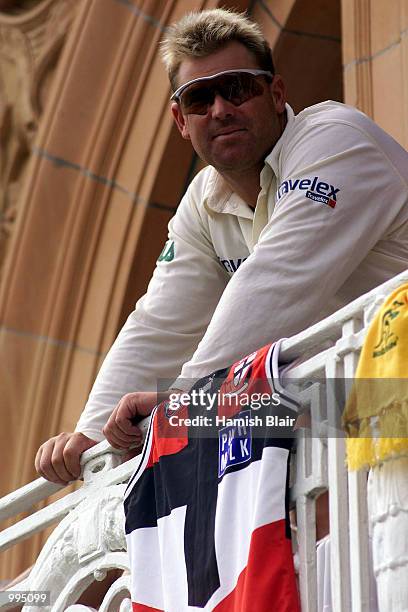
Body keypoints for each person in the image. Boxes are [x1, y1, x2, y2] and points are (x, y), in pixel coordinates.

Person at [35, 8, 408, 485]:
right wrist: (92, 438)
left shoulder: (335, 138)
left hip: (386, 389)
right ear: (180, 120)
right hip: (362, 411)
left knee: (236, 415)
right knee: (255, 417)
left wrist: (187, 401)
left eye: (237, 88)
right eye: (199, 98)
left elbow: (274, 282)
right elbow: (159, 324)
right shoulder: (203, 201)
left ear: (275, 94)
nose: (220, 109)